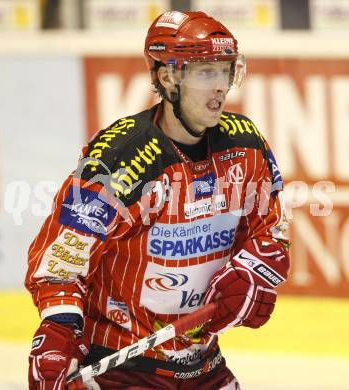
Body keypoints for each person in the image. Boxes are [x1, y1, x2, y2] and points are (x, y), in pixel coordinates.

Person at [26, 10, 290, 390]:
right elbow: (62, 261)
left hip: (205, 366)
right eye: (205, 73)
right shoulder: (122, 158)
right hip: (120, 367)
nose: (220, 86)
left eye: (225, 71)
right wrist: (57, 329)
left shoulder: (245, 146)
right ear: (168, 77)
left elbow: (271, 230)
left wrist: (254, 272)